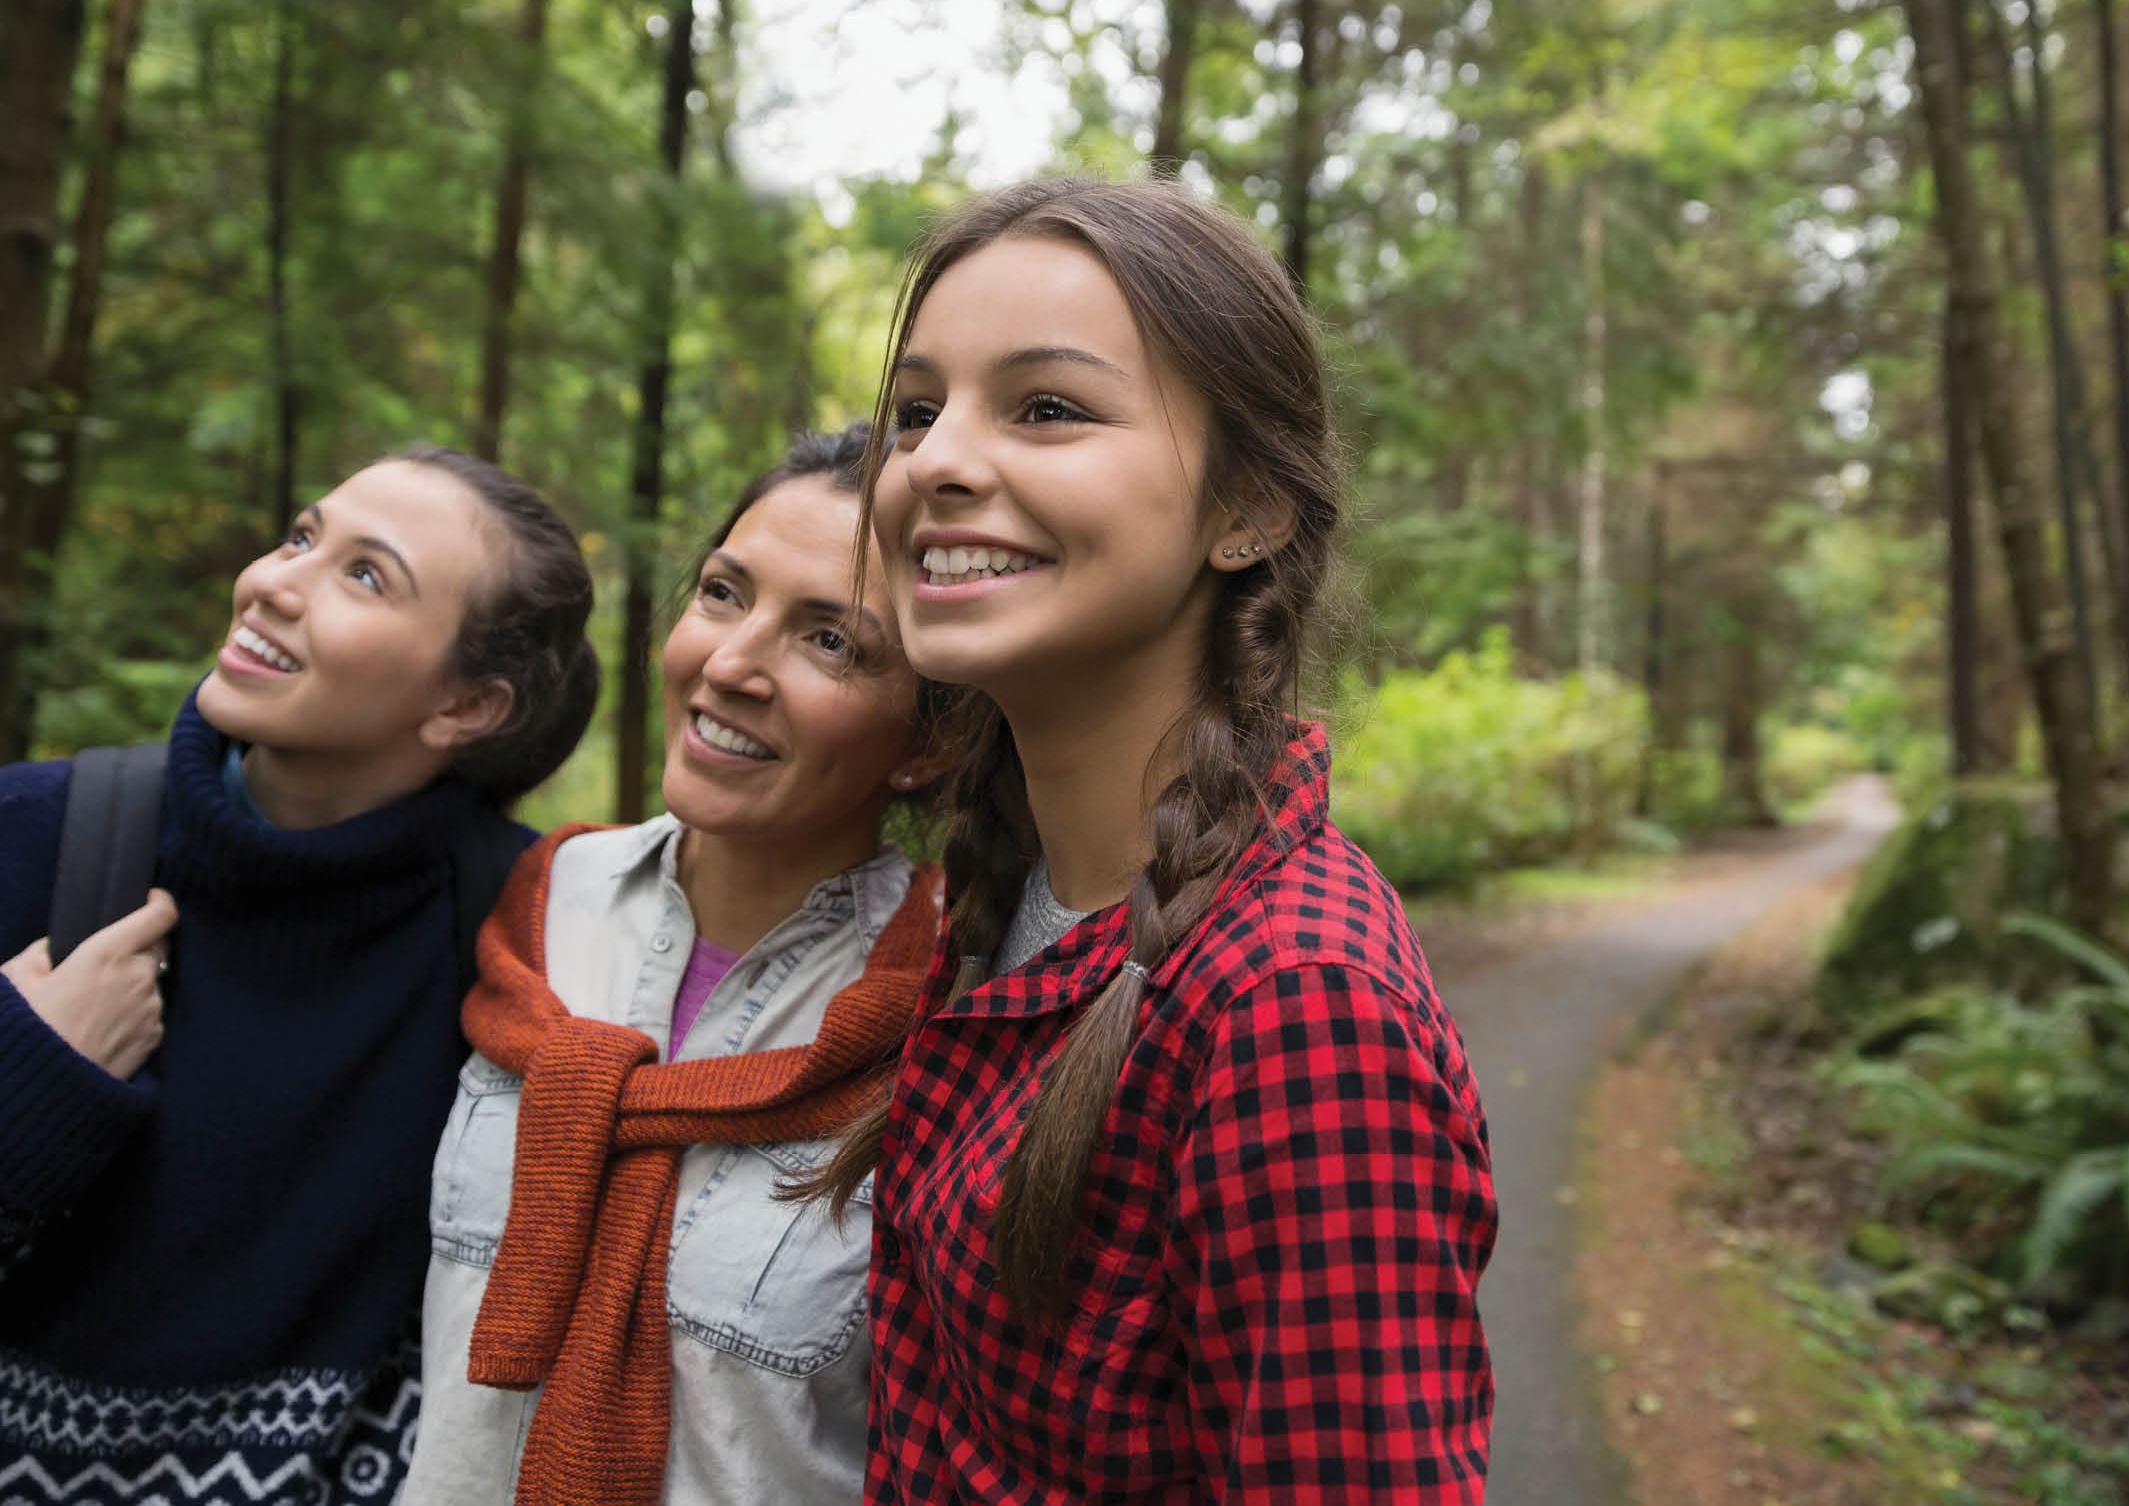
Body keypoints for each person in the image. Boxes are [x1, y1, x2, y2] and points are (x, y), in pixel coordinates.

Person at [802, 176, 1497, 1501]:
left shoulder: (1294, 1009)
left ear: (1248, 514)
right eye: (914, 409)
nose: (936, 459)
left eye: (1047, 408)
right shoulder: (1000, 903)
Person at [0, 446, 599, 1506]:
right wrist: (30, 1081)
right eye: (303, 537)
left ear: (465, 707)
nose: (274, 581)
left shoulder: (533, 931)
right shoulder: (34, 841)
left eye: (365, 575)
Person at [404, 426, 941, 1506]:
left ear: (932, 742)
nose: (732, 664)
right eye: (723, 593)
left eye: (831, 642)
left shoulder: (950, 1008)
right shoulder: (536, 906)